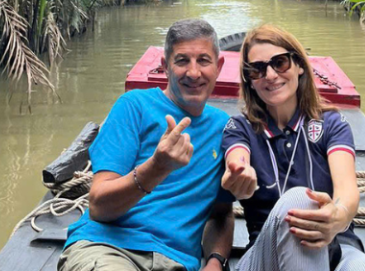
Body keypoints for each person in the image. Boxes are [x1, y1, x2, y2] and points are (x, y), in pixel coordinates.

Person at [59, 18, 234, 271]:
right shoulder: (134, 106)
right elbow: (99, 207)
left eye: (203, 61)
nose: (194, 73)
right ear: (165, 66)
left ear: (218, 67)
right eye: (182, 60)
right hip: (110, 249)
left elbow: (221, 214)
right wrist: (158, 167)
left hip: (177, 262)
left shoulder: (224, 127)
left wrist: (216, 262)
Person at [221, 24, 365, 271]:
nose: (271, 75)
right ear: (250, 81)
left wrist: (337, 216)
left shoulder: (331, 124)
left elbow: (346, 191)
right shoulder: (240, 128)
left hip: (337, 248)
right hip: (265, 258)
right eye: (257, 69)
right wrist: (240, 176)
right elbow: (237, 159)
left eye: (280, 63)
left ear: (298, 66)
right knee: (299, 200)